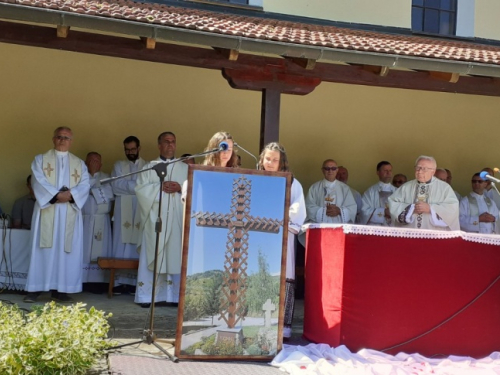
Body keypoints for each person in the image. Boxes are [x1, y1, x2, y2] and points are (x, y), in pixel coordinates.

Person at [24, 127, 90, 303]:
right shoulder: (40, 159)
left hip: (69, 211)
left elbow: (85, 184)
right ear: (53, 139)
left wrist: (70, 195)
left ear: (71, 141)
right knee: (42, 250)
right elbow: (37, 180)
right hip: (48, 209)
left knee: (65, 251)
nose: (62, 140)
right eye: (59, 137)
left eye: (66, 137)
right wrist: (55, 195)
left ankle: (61, 289)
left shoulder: (79, 163)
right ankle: (35, 289)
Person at [134, 132, 188, 307]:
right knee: (154, 252)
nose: (170, 145)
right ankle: (147, 296)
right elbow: (140, 190)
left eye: (173, 142)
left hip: (177, 220)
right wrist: (159, 187)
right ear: (159, 145)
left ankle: (173, 297)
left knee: (175, 254)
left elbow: (194, 190)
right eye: (166, 142)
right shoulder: (150, 167)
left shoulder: (185, 168)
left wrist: (180, 188)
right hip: (156, 220)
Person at [258, 142, 306, 339]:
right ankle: (257, 324)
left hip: (281, 236)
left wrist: (276, 214)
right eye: (267, 159)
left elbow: (298, 211)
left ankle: (282, 329)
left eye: (275, 160)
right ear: (262, 160)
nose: (270, 163)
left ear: (281, 162)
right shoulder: (254, 178)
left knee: (281, 277)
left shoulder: (292, 182)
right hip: (258, 235)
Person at [111, 136, 147, 292]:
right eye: (127, 149)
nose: (130, 152)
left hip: (141, 207)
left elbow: (149, 188)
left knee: (138, 241)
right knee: (121, 241)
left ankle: (135, 283)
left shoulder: (148, 166)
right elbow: (115, 186)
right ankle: (118, 282)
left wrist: (127, 186)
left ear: (139, 148)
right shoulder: (119, 165)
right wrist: (138, 187)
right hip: (122, 209)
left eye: (133, 149)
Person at [388, 155, 459, 231]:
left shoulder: (444, 188)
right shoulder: (406, 187)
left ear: (433, 171)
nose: (420, 171)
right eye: (418, 168)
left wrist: (430, 209)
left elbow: (452, 209)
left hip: (434, 235)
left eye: (424, 169)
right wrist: (411, 209)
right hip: (410, 234)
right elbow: (393, 203)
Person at [81, 152, 114, 287]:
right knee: (83, 250)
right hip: (84, 220)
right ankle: (81, 281)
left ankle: (98, 282)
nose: (94, 163)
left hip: (102, 220)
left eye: (97, 161)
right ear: (85, 163)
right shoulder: (81, 178)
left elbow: (110, 194)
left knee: (101, 250)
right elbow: (79, 192)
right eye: (91, 160)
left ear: (101, 164)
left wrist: (91, 189)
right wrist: (94, 186)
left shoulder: (106, 177)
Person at [360, 161, 395, 226]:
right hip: (376, 229)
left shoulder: (397, 191)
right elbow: (364, 211)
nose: (388, 173)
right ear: (378, 172)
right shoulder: (370, 192)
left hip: (393, 229)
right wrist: (383, 212)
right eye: (385, 170)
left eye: (390, 170)